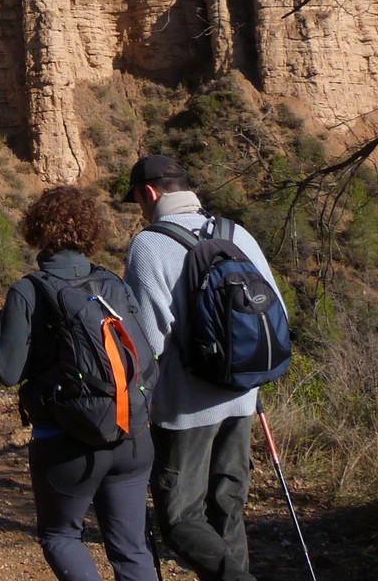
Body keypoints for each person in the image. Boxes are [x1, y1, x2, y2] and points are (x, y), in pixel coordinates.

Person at [122, 154, 283, 581]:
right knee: (227, 508)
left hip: (185, 410)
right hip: (243, 396)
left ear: (149, 193)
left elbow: (149, 340)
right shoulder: (236, 233)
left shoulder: (149, 244)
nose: (139, 209)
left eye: (137, 200)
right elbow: (277, 312)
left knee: (180, 519)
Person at [0, 185, 158, 581]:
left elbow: (7, 371)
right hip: (132, 436)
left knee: (61, 536)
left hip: (66, 441)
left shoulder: (29, 290)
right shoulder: (113, 283)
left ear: (37, 230)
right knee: (131, 549)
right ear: (90, 232)